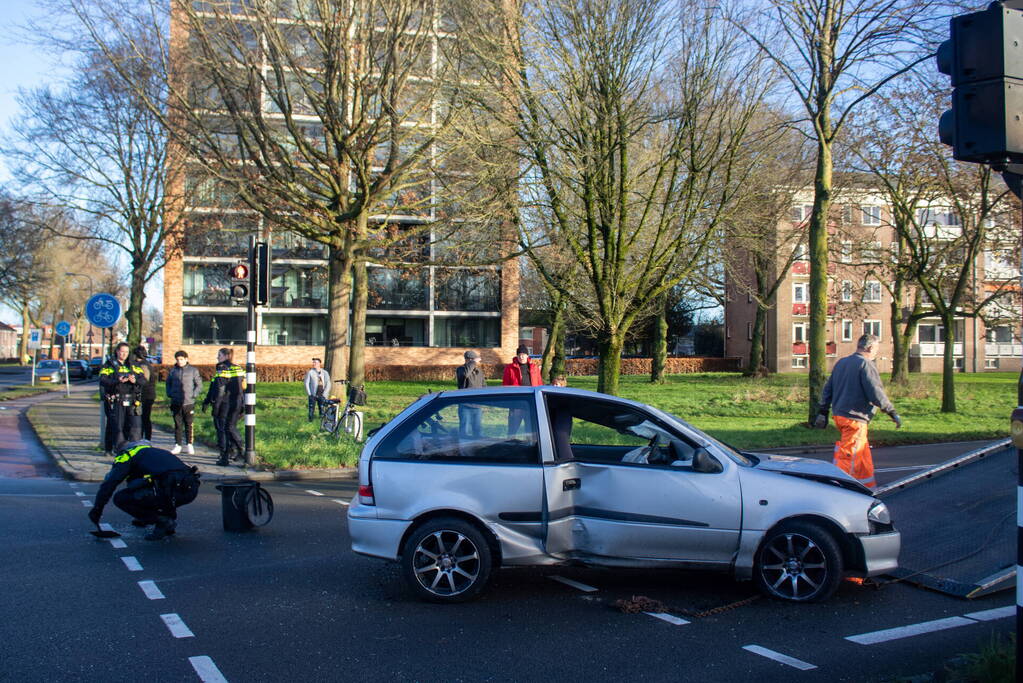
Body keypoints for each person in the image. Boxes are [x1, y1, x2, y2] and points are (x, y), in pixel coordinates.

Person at [814, 334, 902, 489]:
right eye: (876, 349)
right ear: (869, 348)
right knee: (850, 456)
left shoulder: (842, 363)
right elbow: (876, 392)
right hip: (855, 418)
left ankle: (866, 488)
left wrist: (823, 411)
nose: (876, 353)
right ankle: (838, 488)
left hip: (840, 415)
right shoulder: (865, 365)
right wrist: (891, 412)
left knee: (861, 455)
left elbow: (828, 389)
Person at [88, 440, 200, 541]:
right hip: (190, 489)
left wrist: (97, 509)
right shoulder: (154, 452)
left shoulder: (126, 455)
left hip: (170, 488)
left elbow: (110, 483)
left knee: (121, 498)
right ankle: (167, 522)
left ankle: (163, 521)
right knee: (155, 489)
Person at [98, 342, 147, 455]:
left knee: (134, 426)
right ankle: (118, 449)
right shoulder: (109, 365)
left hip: (132, 399)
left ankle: (133, 449)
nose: (124, 354)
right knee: (117, 425)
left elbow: (143, 380)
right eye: (122, 352)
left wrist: (135, 381)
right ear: (117, 351)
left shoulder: (134, 365)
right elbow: (103, 380)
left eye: (126, 352)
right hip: (116, 400)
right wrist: (117, 380)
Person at [202, 348, 245, 466]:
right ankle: (239, 451)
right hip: (237, 402)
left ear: (226, 356)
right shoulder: (238, 368)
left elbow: (219, 389)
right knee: (231, 427)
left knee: (223, 429)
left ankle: (226, 456)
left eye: (219, 355)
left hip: (225, 403)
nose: (217, 357)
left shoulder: (222, 368)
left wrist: (215, 406)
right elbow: (244, 387)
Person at [166, 350, 203, 455]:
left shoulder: (193, 370)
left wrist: (193, 395)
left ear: (186, 359)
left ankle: (189, 444)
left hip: (188, 402)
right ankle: (178, 444)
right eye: (177, 360)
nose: (179, 361)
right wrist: (170, 393)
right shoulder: (173, 371)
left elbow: (199, 385)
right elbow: (168, 383)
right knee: (178, 424)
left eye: (181, 359)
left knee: (189, 424)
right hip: (176, 401)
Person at [503, 345, 542, 435]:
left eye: (523, 354)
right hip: (516, 403)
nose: (521, 357)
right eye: (519, 354)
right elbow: (505, 385)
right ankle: (510, 445)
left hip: (531, 403)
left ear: (527, 355)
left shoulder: (534, 367)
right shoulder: (510, 368)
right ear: (517, 356)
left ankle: (531, 447)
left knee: (530, 430)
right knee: (512, 430)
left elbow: (539, 383)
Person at [456, 350, 485, 438]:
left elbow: (484, 385)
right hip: (465, 405)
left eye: (475, 360)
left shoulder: (479, 371)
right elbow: (465, 375)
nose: (475, 362)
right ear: (467, 360)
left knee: (478, 431)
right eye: (472, 360)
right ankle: (463, 449)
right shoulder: (461, 369)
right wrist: (473, 363)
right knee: (465, 431)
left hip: (477, 406)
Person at [133, 346, 157, 441]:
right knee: (144, 417)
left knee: (144, 418)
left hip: (146, 395)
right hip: (148, 394)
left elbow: (144, 381)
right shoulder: (146, 364)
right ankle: (145, 438)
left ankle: (145, 438)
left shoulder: (143, 366)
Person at [304, 357, 331, 422]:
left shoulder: (325, 372)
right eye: (313, 362)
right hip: (313, 394)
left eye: (315, 362)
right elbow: (306, 383)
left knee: (322, 409)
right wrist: (309, 394)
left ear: (319, 364)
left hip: (322, 394)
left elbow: (328, 383)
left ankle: (321, 423)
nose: (314, 364)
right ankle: (310, 422)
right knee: (311, 409)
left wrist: (325, 394)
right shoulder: (310, 372)